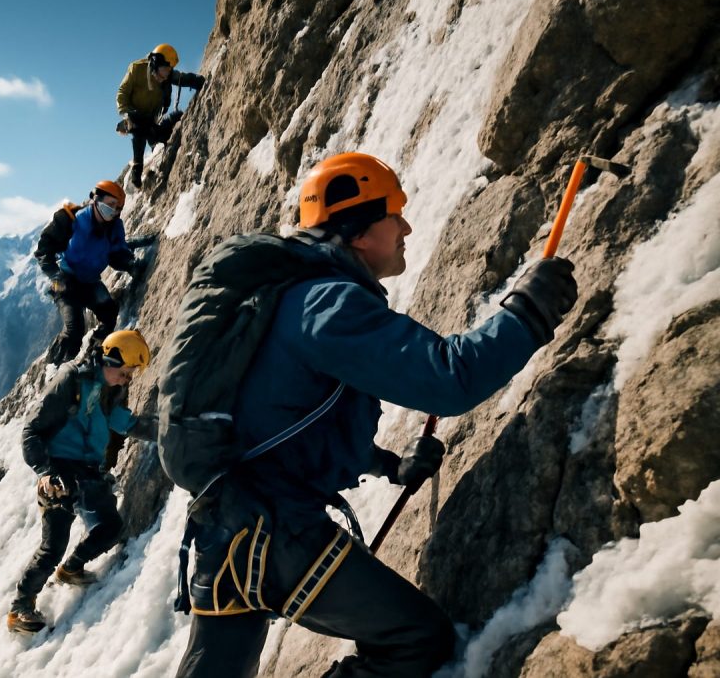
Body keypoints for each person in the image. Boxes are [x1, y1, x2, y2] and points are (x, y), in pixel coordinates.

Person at [173, 153, 578, 676]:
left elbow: (287, 423)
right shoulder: (326, 305)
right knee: (418, 640)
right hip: (277, 535)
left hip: (225, 538)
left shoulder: (291, 301)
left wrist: (391, 465)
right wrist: (527, 314)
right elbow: (449, 380)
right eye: (395, 213)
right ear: (360, 231)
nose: (406, 226)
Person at [7, 330, 157, 634]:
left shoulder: (109, 389)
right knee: (53, 545)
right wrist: (45, 472)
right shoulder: (71, 380)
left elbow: (123, 422)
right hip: (59, 471)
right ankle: (19, 609)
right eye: (126, 372)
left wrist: (166, 430)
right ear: (111, 360)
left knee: (110, 528)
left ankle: (72, 569)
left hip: (88, 470)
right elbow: (31, 431)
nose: (128, 380)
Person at [34, 180, 144, 365]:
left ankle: (95, 353)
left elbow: (116, 255)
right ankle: (55, 367)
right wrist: (54, 274)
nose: (113, 210)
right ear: (96, 199)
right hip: (65, 282)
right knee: (74, 330)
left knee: (109, 314)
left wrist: (129, 265)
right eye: (110, 204)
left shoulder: (114, 228)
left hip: (90, 282)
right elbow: (43, 250)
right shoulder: (70, 219)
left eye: (117, 207)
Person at [116, 43, 206, 189]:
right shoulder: (136, 69)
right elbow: (122, 93)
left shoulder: (167, 75)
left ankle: (157, 153)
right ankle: (137, 168)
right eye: (164, 70)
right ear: (155, 63)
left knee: (177, 117)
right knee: (138, 126)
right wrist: (126, 113)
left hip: (152, 122)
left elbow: (184, 79)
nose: (165, 76)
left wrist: (200, 82)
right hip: (135, 116)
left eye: (168, 71)